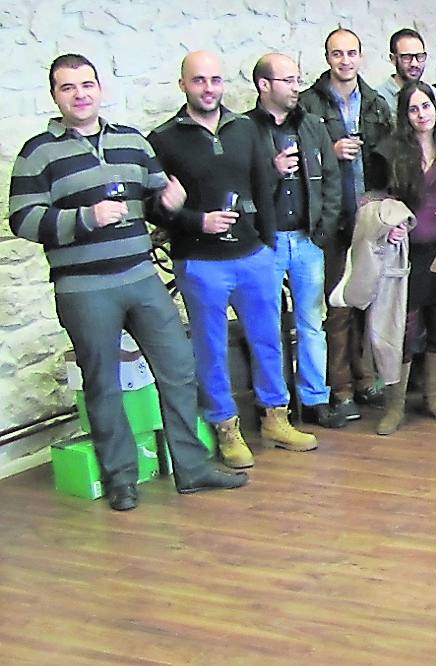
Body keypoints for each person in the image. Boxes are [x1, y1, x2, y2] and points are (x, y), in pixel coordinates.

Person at [10, 54, 247, 510]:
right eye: (68, 87)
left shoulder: (130, 141)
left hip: (140, 276)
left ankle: (192, 468)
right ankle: (121, 478)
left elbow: (157, 207)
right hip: (84, 288)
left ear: (100, 89)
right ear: (55, 96)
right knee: (103, 384)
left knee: (179, 368)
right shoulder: (38, 152)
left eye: (87, 85)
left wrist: (171, 202)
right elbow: (22, 218)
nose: (80, 94)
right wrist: (86, 218)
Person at [148, 51, 316, 465]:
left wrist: (267, 244)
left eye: (215, 80)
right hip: (200, 262)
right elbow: (153, 208)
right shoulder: (163, 139)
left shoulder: (243, 128)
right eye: (199, 80)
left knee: (269, 339)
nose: (209, 88)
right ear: (183, 84)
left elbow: (264, 185)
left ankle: (276, 418)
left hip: (253, 256)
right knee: (211, 347)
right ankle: (226, 428)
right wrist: (194, 220)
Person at [299, 28, 395, 424]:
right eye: (337, 54)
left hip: (368, 214)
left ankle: (366, 378)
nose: (345, 60)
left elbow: (389, 155)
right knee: (337, 305)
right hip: (332, 217)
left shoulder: (373, 102)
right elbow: (298, 157)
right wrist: (330, 151)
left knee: (368, 302)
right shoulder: (308, 103)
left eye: (351, 53)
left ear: (361, 56)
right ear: (327, 57)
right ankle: (339, 388)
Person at [248, 53, 344, 429]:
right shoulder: (245, 130)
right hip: (266, 242)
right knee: (267, 326)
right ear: (264, 85)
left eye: (297, 79)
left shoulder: (311, 125)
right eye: (287, 80)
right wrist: (272, 173)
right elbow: (241, 185)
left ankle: (315, 399)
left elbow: (333, 178)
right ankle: (275, 406)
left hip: (307, 240)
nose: (296, 87)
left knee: (311, 322)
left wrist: (324, 229)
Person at [366, 81, 436, 435]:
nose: (422, 114)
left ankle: (434, 398)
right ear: (404, 114)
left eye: (427, 106)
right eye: (414, 108)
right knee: (403, 327)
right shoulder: (388, 151)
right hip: (403, 251)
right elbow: (373, 199)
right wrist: (386, 226)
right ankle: (394, 406)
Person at [377, 28, 427, 116]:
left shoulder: (433, 94)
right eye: (407, 57)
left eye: (419, 56)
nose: (414, 63)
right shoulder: (378, 98)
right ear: (393, 59)